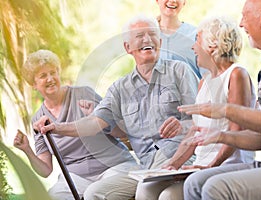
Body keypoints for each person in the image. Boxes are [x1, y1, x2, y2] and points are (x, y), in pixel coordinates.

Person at [35, 15, 199, 199]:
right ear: (127, 48)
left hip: (180, 157)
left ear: (160, 41)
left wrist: (181, 125)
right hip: (145, 169)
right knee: (95, 193)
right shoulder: (120, 88)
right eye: (139, 35)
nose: (147, 39)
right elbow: (93, 123)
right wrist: (57, 127)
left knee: (160, 195)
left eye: (152, 34)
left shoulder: (179, 71)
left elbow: (199, 120)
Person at [178, 0, 261, 199]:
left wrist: (225, 109)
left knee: (216, 188)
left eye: (245, 16)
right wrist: (220, 136)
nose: (241, 24)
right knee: (194, 182)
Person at [145, 15, 256, 200]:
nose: (193, 47)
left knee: (169, 197)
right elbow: (193, 134)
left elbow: (236, 131)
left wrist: (210, 167)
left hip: (228, 166)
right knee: (146, 189)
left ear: (212, 46)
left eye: (197, 40)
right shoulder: (204, 81)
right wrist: (172, 165)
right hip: (201, 165)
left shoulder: (236, 75)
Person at [13, 49, 140, 200]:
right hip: (78, 178)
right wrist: (27, 150)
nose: (50, 78)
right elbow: (46, 170)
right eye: (43, 76)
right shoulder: (38, 119)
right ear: (33, 84)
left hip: (114, 167)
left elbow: (122, 133)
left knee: (93, 194)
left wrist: (98, 118)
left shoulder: (83, 94)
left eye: (53, 72)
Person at [156, 0, 206, 78]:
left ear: (184, 1)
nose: (173, 1)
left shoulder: (196, 36)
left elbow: (207, 77)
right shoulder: (147, 35)